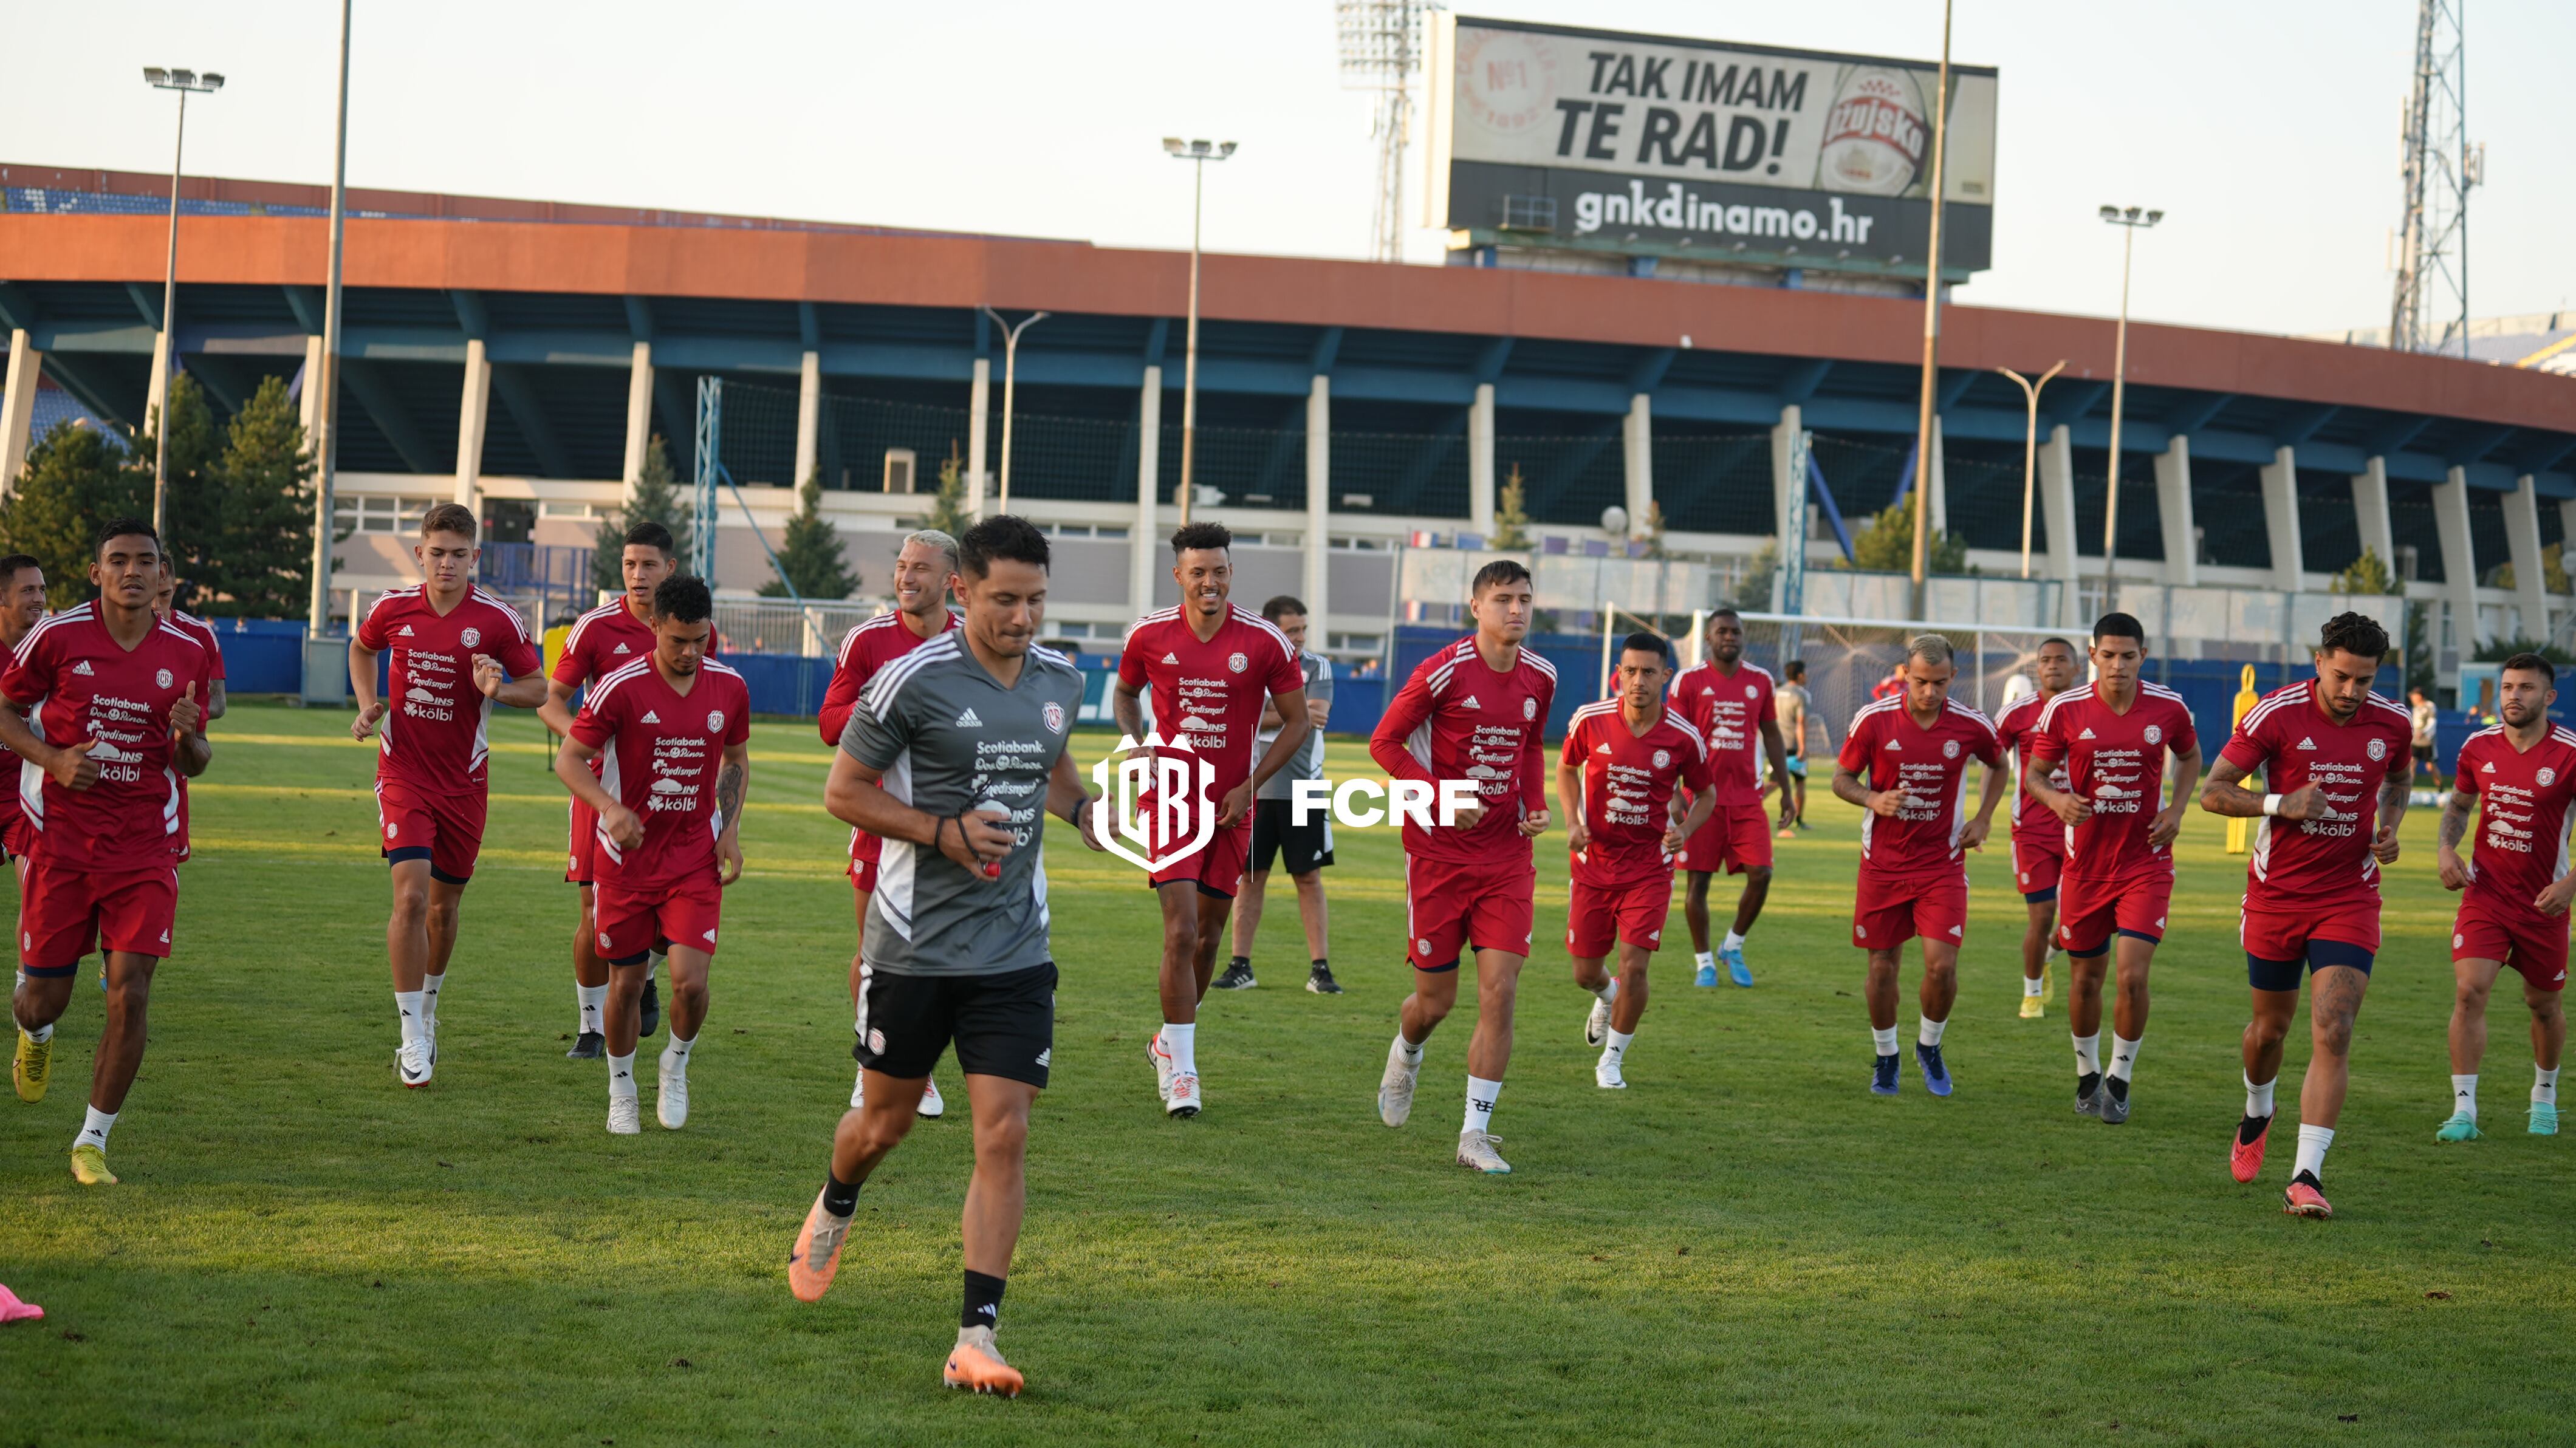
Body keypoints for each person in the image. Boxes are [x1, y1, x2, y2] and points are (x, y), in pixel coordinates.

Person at [786, 515, 1101, 1398]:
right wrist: (942, 832)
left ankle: (976, 1336)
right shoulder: (909, 680)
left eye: (1037, 600)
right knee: (879, 1128)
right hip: (914, 950)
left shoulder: (1062, 681)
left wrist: (1095, 816)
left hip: (1015, 949)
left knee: (1004, 1132)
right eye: (1005, 599)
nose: (1024, 618)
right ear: (962, 590)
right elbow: (842, 791)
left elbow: (1055, 769)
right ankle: (839, 1198)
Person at [4, 519, 213, 1184]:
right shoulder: (58, 636)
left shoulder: (190, 649)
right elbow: (4, 709)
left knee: (131, 990)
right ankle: (35, 1034)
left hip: (145, 848)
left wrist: (188, 739)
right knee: (45, 999)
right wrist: (53, 758)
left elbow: (198, 760)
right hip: (63, 844)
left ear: (161, 574)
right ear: (96, 572)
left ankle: (92, 1140)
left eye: (144, 561)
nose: (132, 571)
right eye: (118, 560)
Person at [2197, 612, 2411, 1218]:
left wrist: (2389, 826)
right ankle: (2257, 1106)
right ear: (2319, 661)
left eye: (2364, 681)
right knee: (2269, 1030)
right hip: (2276, 896)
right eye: (2341, 676)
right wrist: (2278, 803)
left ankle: (2305, 1175)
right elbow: (2212, 789)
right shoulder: (2275, 713)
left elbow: (2397, 777)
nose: (2350, 692)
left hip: (2348, 896)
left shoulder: (2391, 721)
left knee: (2335, 1026)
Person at [1112, 522, 1309, 1119]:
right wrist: (1135, 740)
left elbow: (1297, 721)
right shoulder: (1148, 634)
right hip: (1170, 797)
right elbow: (1124, 693)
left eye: (1219, 570)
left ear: (1231, 574)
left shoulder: (1265, 640)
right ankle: (1185, 1073)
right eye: (1197, 571)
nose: (1209, 581)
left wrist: (1250, 786)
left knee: (1208, 938)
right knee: (1178, 930)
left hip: (1231, 807)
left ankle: (1166, 1042)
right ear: (1179, 575)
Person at [350, 504, 549, 1087]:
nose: (446, 563)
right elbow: (362, 649)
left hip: (465, 783)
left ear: (475, 557)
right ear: (420, 554)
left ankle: (429, 1008)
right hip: (403, 773)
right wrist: (367, 704)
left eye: (459, 554)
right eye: (437, 552)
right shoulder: (392, 608)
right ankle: (412, 1033)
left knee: (443, 908)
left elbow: (538, 689)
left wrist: (499, 687)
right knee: (409, 900)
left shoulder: (497, 620)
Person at [1368, 559, 1554, 1174]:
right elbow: (1384, 743)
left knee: (1499, 992)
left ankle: (1474, 1132)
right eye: (1502, 599)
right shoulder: (1443, 670)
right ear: (1475, 606)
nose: (1516, 610)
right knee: (1434, 1001)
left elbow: (1529, 745)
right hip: (1438, 856)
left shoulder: (1541, 676)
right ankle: (1407, 1049)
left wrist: (1534, 802)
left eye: (1524, 598)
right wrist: (1445, 797)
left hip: (1506, 858)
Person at [548, 575, 750, 1135]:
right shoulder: (620, 687)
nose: (689, 653)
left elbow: (735, 759)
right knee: (628, 986)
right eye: (677, 640)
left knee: (689, 982)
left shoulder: (729, 688)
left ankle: (676, 1066)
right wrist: (610, 808)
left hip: (693, 858)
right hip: (626, 861)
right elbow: (570, 760)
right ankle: (621, 1087)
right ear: (655, 628)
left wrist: (729, 829)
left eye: (700, 641)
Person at [2019, 615, 2202, 1124]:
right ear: (2093, 655)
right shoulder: (2065, 709)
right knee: (2085, 982)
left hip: (2146, 861)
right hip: (2085, 869)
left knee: (2132, 977)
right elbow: (2034, 774)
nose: (2118, 664)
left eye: (2128, 655)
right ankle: (2087, 1075)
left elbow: (2190, 758)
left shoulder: (2168, 707)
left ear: (2143, 656)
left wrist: (2177, 809)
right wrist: (2057, 800)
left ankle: (2120, 1079)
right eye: (2109, 655)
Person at [818, 530, 961, 1118]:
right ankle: (872, 1065)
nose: (907, 576)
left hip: (955, 822)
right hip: (879, 819)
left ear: (951, 580)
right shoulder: (868, 640)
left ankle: (918, 1066)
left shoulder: (972, 641)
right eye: (902, 565)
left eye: (922, 568)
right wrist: (888, 698)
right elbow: (830, 723)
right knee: (875, 953)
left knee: (943, 956)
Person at [1831, 634, 2002, 1098]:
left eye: (1940, 683)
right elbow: (1841, 778)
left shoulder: (1970, 725)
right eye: (1921, 682)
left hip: (1941, 865)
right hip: (1882, 866)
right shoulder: (1874, 720)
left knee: (1941, 967)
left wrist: (1984, 818)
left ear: (1954, 677)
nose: (1930, 693)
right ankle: (1887, 1057)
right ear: (1905, 674)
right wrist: (1873, 798)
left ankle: (1929, 1046)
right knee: (1883, 968)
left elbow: (1999, 764)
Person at [1558, 634, 1715, 1088]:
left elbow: (1706, 794)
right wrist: (1572, 821)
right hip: (1593, 865)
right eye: (1630, 671)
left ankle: (1611, 1061)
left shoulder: (1684, 737)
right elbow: (1567, 768)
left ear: (1666, 677)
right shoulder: (1590, 720)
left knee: (1636, 966)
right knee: (1586, 972)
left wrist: (1684, 831)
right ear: (1619, 674)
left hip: (1649, 868)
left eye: (1649, 672)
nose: (1638, 681)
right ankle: (1606, 998)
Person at [545, 522, 677, 1059]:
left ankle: (642, 973)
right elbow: (552, 700)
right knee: (593, 911)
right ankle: (591, 1027)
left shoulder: (688, 626)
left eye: (648, 565)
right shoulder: (596, 628)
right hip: (600, 789)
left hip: (668, 790)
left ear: (670, 568)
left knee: (674, 909)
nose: (637, 575)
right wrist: (587, 743)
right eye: (629, 565)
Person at [2432, 652, 2574, 1142]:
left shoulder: (2571, 754)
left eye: (2527, 688)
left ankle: (2544, 1097)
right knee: (2469, 991)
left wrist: (2570, 885)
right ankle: (2464, 1112)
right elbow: (2460, 803)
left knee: (2543, 1005)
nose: (2515, 695)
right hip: (2486, 895)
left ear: (2549, 697)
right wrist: (2447, 849)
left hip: (2545, 903)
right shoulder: (2477, 746)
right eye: (2509, 686)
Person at [1219, 595, 1339, 995]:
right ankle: (1241, 965)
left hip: (1305, 786)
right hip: (1252, 787)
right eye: (1293, 631)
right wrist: (1290, 710)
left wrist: (1273, 712)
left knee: (1309, 878)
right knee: (1249, 878)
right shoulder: (1249, 661)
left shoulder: (1317, 666)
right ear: (1272, 630)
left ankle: (1320, 969)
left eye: (1303, 629)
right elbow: (1236, 714)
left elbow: (1313, 715)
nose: (1301, 637)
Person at [1670, 609, 1787, 988]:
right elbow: (1673, 739)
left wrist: (1785, 789)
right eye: (1722, 631)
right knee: (1697, 886)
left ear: (1743, 636)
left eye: (1735, 632)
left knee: (1762, 873)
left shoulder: (1761, 681)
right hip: (1700, 798)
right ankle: (1704, 961)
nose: (1729, 637)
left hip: (1748, 799)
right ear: (1708, 637)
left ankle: (1732, 945)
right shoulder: (1689, 681)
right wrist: (1674, 792)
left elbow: (1772, 735)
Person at [1991, 638, 2080, 1019]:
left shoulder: (2092, 710)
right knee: (2042, 914)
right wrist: (1982, 816)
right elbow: (1992, 762)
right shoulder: (2016, 714)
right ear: (2037, 669)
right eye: (2046, 660)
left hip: (2084, 829)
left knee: (2079, 920)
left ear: (2077, 667)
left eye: (2062, 660)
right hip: (2032, 830)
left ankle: (2048, 955)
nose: (2053, 666)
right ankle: (2031, 992)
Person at [149, 559, 226, 870]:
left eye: (166, 595)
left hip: (172, 767)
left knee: (163, 866)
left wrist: (187, 716)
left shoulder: (198, 636)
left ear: (174, 588)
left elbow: (218, 703)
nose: (157, 605)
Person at [0, 555, 47, 884]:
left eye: (42, 590)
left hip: (27, 799)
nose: (40, 599)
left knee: (38, 903)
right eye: (28, 590)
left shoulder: (52, 652)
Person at [1774, 659, 1812, 836]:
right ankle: (1798, 820)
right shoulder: (1801, 695)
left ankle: (1753, 808)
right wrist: (1803, 747)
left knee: (1773, 783)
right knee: (1800, 784)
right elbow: (1801, 723)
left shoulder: (1776, 692)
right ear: (1800, 675)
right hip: (1794, 747)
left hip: (1776, 746)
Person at [2410, 686, 2440, 784]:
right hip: (2415, 741)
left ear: (2419, 696)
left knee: (2430, 767)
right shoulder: (2415, 708)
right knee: (2412, 764)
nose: (2412, 698)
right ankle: (2408, 789)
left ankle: (2440, 788)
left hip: (2427, 741)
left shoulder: (2430, 706)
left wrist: (2424, 732)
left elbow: (2432, 722)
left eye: (2414, 696)